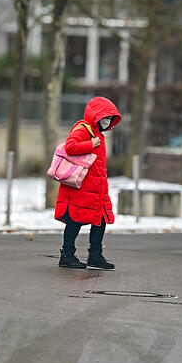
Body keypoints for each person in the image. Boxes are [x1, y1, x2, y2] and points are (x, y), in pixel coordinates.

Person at [54, 96, 121, 269]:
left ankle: (95, 255)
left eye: (109, 119)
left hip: (95, 188)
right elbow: (70, 146)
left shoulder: (98, 133)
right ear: (95, 116)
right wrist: (91, 144)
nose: (107, 121)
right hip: (80, 188)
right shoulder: (84, 129)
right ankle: (67, 255)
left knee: (101, 219)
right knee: (74, 220)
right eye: (105, 117)